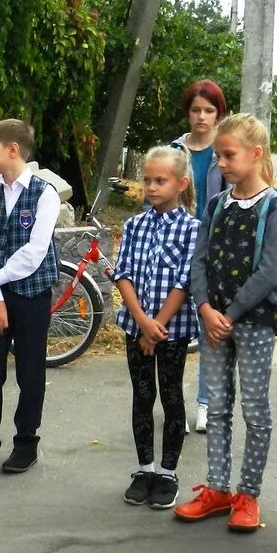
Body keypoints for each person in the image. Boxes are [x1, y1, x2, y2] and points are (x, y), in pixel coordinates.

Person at [175, 114, 277, 533]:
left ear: (256, 154)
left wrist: (231, 312)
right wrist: (205, 307)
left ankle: (248, 493)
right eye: (220, 155)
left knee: (255, 409)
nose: (221, 163)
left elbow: (269, 268)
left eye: (229, 155)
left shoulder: (275, 207)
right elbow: (200, 260)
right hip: (213, 320)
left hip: (253, 320)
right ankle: (218, 488)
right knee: (218, 406)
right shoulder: (215, 204)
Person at [0, 118, 60, 477]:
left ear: (12, 150)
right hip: (0, 299)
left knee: (29, 370)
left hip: (33, 296)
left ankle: (25, 444)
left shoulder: (44, 193)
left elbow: (35, 252)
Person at [113, 146, 201, 510]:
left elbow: (185, 282)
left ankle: (167, 472)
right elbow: (123, 274)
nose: (151, 187)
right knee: (142, 395)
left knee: (171, 395)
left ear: (180, 184)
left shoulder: (192, 229)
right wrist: (142, 323)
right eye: (147, 180)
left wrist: (157, 326)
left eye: (160, 180)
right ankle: (144, 468)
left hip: (172, 330)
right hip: (136, 327)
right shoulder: (135, 225)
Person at [171, 78, 229, 433]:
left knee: (209, 329)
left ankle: (206, 403)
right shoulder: (175, 150)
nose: (202, 117)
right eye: (196, 110)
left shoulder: (226, 149)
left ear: (219, 114)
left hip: (213, 250)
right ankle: (173, 399)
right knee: (175, 328)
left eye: (209, 110)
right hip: (177, 246)